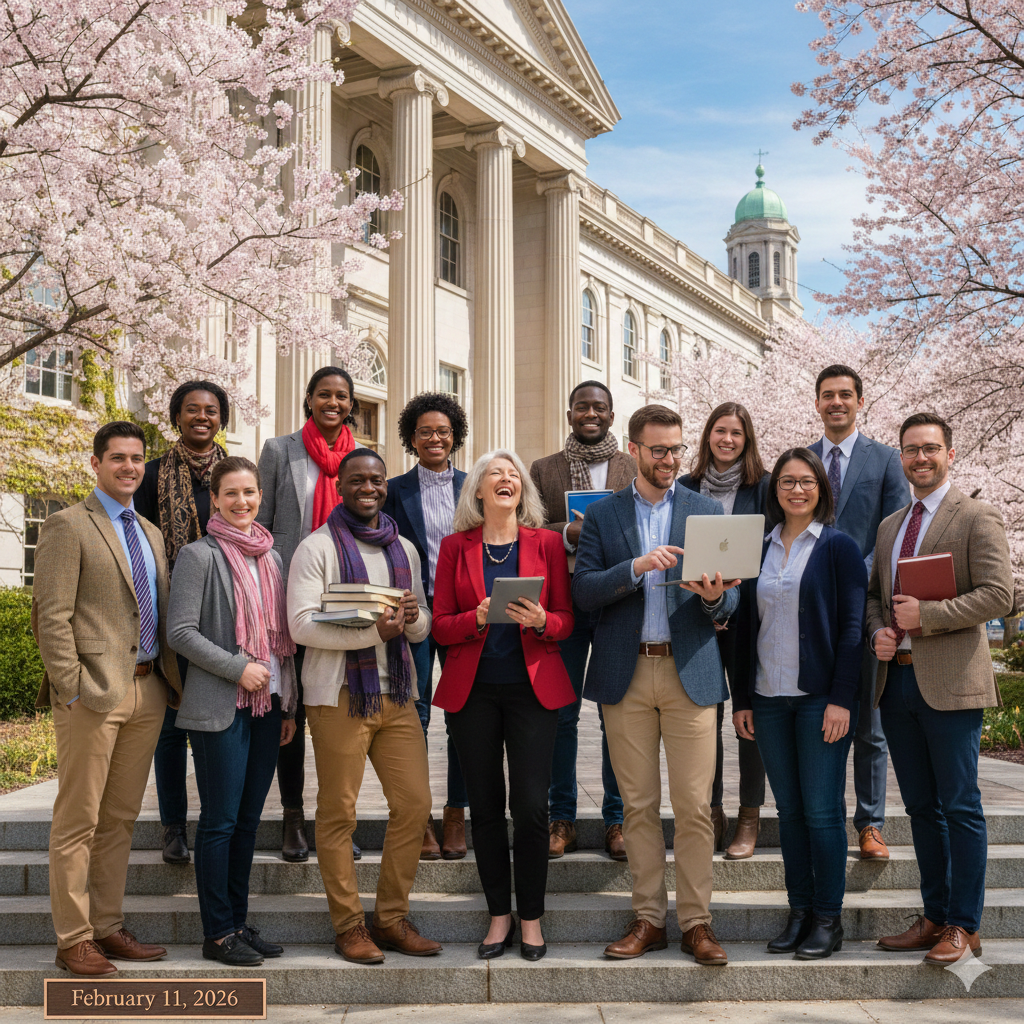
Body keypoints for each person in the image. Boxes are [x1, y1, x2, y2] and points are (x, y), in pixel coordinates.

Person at [573, 404, 740, 966]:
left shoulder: (704, 509)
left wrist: (716, 594)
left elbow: (732, 597)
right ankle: (649, 919)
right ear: (635, 450)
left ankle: (696, 923)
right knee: (638, 807)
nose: (671, 459)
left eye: (676, 449)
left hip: (689, 670)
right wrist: (637, 567)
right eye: (659, 450)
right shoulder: (602, 515)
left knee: (694, 808)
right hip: (626, 674)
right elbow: (584, 592)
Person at [32, 421, 181, 976]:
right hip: (92, 695)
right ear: (96, 464)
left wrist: (165, 683)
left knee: (119, 818)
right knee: (79, 819)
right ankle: (73, 938)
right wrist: (70, 689)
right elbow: (51, 617)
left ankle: (108, 926)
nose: (128, 467)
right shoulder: (68, 525)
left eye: (136, 458)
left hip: (147, 689)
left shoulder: (150, 531)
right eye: (117, 457)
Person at [287, 448, 441, 964]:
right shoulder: (317, 548)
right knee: (339, 813)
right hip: (339, 697)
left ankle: (391, 917)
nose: (368, 488)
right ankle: (349, 925)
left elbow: (421, 628)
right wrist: (370, 632)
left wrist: (415, 619)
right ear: (340, 487)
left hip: (396, 694)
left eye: (376, 479)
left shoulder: (404, 549)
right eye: (357, 480)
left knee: (415, 805)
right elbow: (302, 625)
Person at [870, 413, 1014, 965]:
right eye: (911, 450)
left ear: (949, 453)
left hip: (952, 685)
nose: (920, 458)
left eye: (930, 448)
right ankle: (933, 916)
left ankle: (964, 925)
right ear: (901, 457)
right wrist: (878, 631)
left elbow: (999, 595)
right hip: (897, 683)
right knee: (922, 807)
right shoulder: (890, 525)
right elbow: (875, 598)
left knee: (960, 805)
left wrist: (926, 616)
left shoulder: (976, 515)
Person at [432, 450, 576, 962]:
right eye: (497, 473)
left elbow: (566, 619)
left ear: (523, 491)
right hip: (472, 694)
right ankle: (500, 915)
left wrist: (541, 620)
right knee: (487, 808)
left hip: (532, 691)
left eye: (514, 474)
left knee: (533, 807)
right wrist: (475, 617)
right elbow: (439, 625)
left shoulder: (548, 544)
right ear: (478, 490)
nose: (507, 478)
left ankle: (532, 918)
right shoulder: (454, 547)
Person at [731, 449, 866, 960]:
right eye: (787, 481)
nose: (796, 490)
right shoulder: (757, 548)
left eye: (807, 481)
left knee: (823, 813)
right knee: (788, 813)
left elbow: (852, 631)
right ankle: (800, 912)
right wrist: (742, 697)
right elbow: (746, 627)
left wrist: (840, 700)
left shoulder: (839, 548)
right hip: (768, 699)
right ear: (775, 490)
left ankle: (828, 920)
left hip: (818, 703)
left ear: (821, 489)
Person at [167, 457, 297, 966]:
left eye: (249, 493)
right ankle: (216, 932)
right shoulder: (199, 556)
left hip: (268, 706)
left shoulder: (273, 557)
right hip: (222, 704)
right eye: (231, 494)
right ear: (215, 500)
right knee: (219, 821)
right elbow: (180, 634)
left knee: (247, 822)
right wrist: (237, 667)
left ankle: (239, 923)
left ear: (259, 497)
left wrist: (289, 705)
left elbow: (281, 643)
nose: (242, 502)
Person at [256, 366, 359, 863]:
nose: (332, 403)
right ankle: (293, 817)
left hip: (347, 594)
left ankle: (339, 822)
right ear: (309, 399)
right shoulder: (281, 451)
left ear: (351, 403)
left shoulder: (361, 458)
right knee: (291, 709)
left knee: (341, 710)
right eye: (324, 394)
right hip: (290, 594)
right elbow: (264, 526)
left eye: (341, 396)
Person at [529, 381, 633, 861]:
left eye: (599, 407)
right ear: (569, 412)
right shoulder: (544, 469)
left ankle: (617, 821)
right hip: (564, 606)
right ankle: (562, 818)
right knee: (562, 715)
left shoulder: (633, 469)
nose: (591, 414)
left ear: (612, 415)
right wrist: (565, 531)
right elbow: (529, 530)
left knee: (616, 715)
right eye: (582, 407)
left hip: (617, 605)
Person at [808, 364, 907, 861]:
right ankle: (819, 815)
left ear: (859, 401)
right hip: (809, 614)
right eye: (827, 395)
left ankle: (870, 824)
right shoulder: (802, 461)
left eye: (845, 395)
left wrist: (854, 575)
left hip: (867, 608)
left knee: (869, 722)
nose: (836, 403)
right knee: (817, 714)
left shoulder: (888, 461)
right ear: (818, 403)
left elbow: (894, 532)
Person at [135, 380, 229, 866]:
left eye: (211, 410)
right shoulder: (151, 477)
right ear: (176, 417)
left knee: (214, 727)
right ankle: (173, 825)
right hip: (169, 618)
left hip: (224, 620)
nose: (201, 417)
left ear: (221, 419)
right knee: (170, 728)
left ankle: (216, 820)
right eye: (191, 409)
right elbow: (142, 554)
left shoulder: (234, 476)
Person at [679, 401, 769, 860]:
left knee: (748, 716)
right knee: (704, 717)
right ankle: (710, 811)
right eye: (720, 431)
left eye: (736, 433)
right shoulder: (685, 486)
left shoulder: (766, 487)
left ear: (747, 438)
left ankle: (749, 817)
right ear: (707, 436)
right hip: (698, 617)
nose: (727, 440)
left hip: (753, 617)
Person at [382, 392, 469, 861]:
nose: (434, 438)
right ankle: (419, 817)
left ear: (454, 435)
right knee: (414, 716)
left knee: (461, 715)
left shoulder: (474, 485)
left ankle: (457, 812)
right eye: (425, 431)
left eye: (443, 430)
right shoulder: (395, 489)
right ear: (411, 439)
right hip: (414, 608)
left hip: (460, 612)